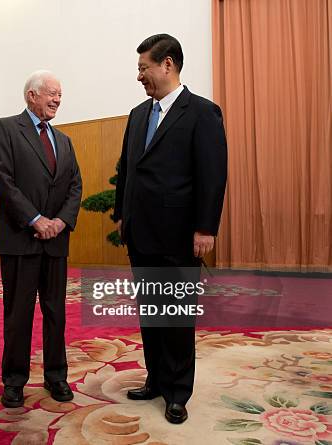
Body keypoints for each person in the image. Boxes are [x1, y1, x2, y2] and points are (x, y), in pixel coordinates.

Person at [114, 34, 227, 424]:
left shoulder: (202, 112)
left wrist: (205, 228)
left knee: (176, 315)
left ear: (168, 64)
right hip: (140, 231)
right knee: (150, 313)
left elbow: (212, 175)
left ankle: (178, 391)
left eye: (144, 67)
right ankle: (157, 380)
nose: (140, 76)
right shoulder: (137, 114)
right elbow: (127, 168)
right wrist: (120, 214)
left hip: (180, 233)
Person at [0, 70, 83, 408]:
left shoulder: (66, 141)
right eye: (52, 93)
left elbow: (75, 185)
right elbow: (2, 179)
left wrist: (60, 221)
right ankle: (14, 381)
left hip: (56, 241)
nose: (58, 99)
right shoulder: (5, 128)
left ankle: (56, 377)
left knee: (56, 313)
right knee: (18, 315)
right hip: (21, 239)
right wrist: (35, 219)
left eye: (60, 94)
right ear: (32, 95)